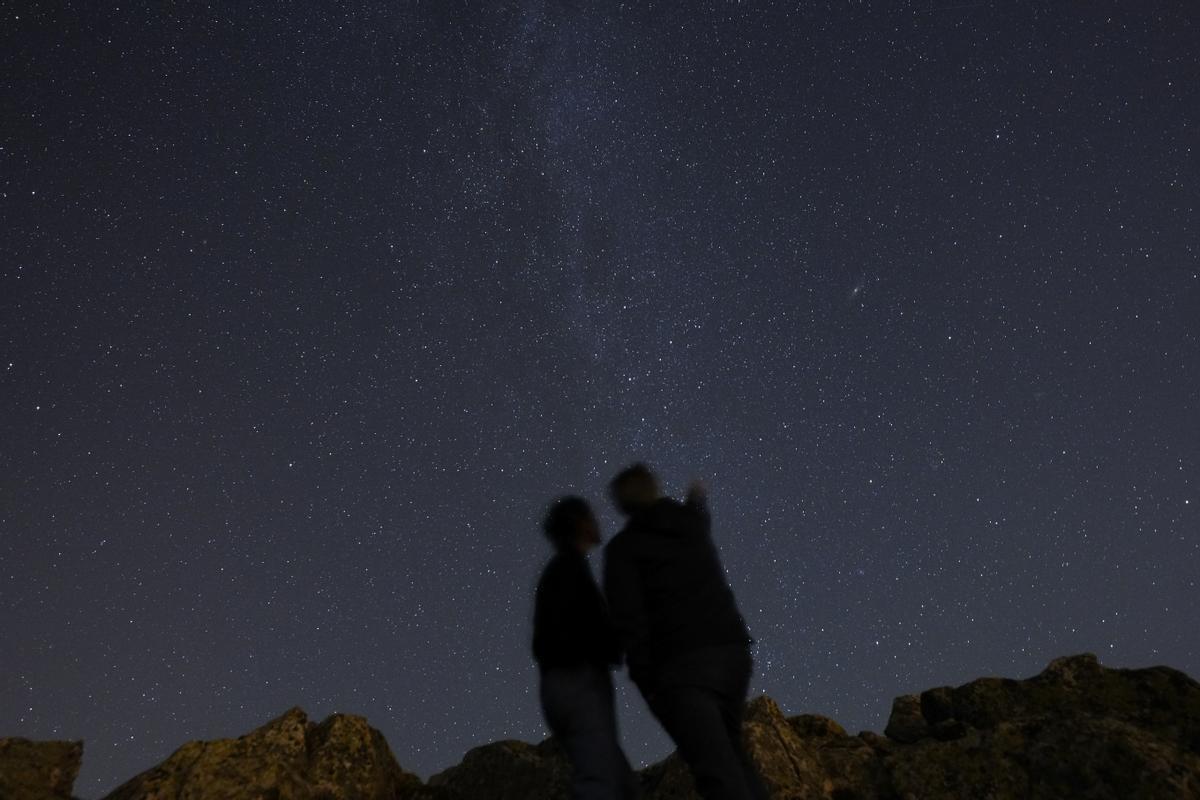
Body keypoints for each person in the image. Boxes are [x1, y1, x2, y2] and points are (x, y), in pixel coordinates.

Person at [603, 465, 767, 800]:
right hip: (732, 654)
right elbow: (696, 516)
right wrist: (696, 501)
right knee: (732, 757)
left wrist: (645, 680)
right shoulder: (690, 527)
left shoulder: (624, 549)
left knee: (716, 772)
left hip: (681, 667)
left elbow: (628, 619)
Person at [533, 496, 639, 800]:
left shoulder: (560, 571)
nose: (597, 521)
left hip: (559, 686)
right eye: (590, 517)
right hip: (578, 683)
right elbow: (587, 630)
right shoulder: (570, 570)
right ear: (579, 524)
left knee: (621, 784)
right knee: (598, 783)